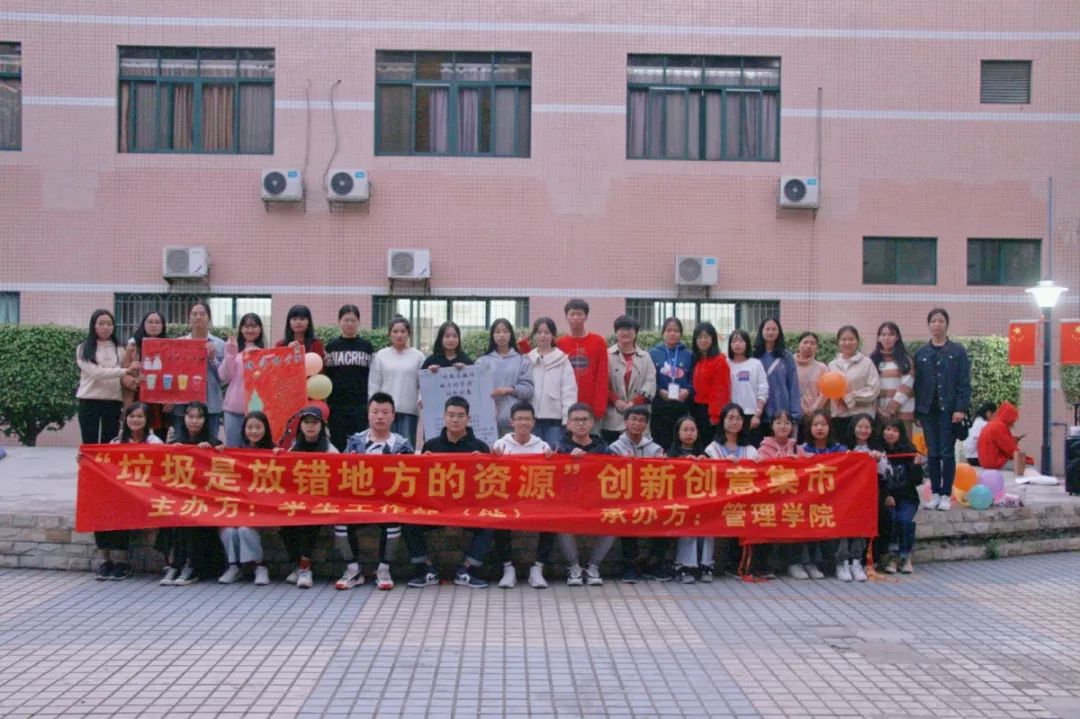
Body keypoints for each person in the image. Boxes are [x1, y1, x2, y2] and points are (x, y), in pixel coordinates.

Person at [404, 396, 492, 589]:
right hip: (436, 509)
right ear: (444, 417)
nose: (455, 420)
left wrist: (485, 463)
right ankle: (427, 569)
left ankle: (466, 570)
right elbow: (422, 482)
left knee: (490, 523)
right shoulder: (431, 446)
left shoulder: (480, 447)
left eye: (460, 415)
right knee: (408, 522)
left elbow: (488, 484)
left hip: (468, 509)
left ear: (468, 419)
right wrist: (423, 463)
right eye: (451, 415)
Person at [338, 393, 415, 591]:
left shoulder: (402, 445)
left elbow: (413, 475)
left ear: (393, 416)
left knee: (393, 524)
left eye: (385, 412)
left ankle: (383, 569)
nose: (380, 416)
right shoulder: (355, 442)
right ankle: (353, 570)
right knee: (339, 523)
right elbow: (340, 471)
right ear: (368, 414)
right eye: (375, 411)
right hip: (359, 502)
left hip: (389, 502)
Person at [95, 402, 162, 580]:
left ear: (147, 420)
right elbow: (103, 465)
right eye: (131, 416)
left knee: (121, 507)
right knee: (100, 508)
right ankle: (106, 561)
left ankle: (122, 562)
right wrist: (84, 459)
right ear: (125, 419)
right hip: (121, 492)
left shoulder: (155, 442)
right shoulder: (116, 442)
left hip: (144, 494)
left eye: (140, 416)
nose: (135, 420)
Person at [491, 401, 554, 589]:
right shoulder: (500, 444)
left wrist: (552, 460)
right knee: (497, 519)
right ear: (512, 422)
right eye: (519, 419)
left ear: (534, 422)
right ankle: (508, 568)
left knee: (554, 518)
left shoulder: (543, 446)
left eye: (527, 419)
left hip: (535, 501)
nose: (523, 423)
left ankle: (537, 568)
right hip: (508, 501)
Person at [913, 308, 971, 512]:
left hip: (949, 411)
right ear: (928, 324)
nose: (937, 325)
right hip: (928, 411)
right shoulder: (921, 353)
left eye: (941, 321)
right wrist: (918, 412)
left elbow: (964, 382)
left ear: (947, 324)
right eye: (933, 321)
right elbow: (917, 385)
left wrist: (960, 408)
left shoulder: (957, 351)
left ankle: (946, 494)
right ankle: (935, 493)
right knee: (933, 453)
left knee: (947, 453)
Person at [159, 401, 222, 587]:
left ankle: (191, 566)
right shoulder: (175, 443)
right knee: (175, 517)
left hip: (205, 502)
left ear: (206, 420)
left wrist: (213, 451)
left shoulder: (214, 442)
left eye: (199, 417)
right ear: (184, 418)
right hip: (178, 499)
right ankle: (174, 565)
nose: (194, 421)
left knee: (191, 517)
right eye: (190, 416)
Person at [554, 403, 614, 586]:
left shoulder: (604, 449)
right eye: (576, 420)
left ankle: (593, 566)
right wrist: (566, 460)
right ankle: (574, 567)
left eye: (584, 419)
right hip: (568, 502)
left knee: (615, 520)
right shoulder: (559, 448)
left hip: (597, 502)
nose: (580, 423)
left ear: (592, 422)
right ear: (568, 424)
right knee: (560, 521)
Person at [278, 406, 338, 589]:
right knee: (285, 525)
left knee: (308, 524)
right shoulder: (294, 447)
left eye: (315, 423)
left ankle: (305, 568)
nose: (310, 426)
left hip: (321, 501)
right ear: (301, 426)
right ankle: (299, 565)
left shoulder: (330, 450)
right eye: (306, 422)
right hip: (297, 501)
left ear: (321, 426)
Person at [609, 405, 669, 582]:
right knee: (627, 517)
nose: (637, 424)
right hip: (625, 499)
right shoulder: (614, 448)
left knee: (671, 515)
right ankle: (630, 565)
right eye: (633, 419)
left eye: (642, 420)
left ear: (646, 424)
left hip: (651, 498)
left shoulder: (656, 449)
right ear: (626, 422)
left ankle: (654, 563)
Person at [755, 410, 815, 580]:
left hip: (793, 499)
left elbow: (808, 469)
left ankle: (795, 563)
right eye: (778, 422)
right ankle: (771, 565)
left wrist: (809, 459)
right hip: (772, 500)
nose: (783, 426)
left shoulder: (797, 448)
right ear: (772, 426)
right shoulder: (763, 449)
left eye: (787, 423)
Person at [217, 411, 274, 586]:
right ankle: (234, 567)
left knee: (244, 530)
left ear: (266, 429)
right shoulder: (236, 451)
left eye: (258, 427)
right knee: (228, 530)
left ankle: (260, 566)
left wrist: (278, 455)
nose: (253, 431)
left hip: (261, 506)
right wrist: (216, 451)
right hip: (238, 504)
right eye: (250, 427)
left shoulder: (273, 451)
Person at [77, 309, 138, 445]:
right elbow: (96, 373)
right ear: (93, 325)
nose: (105, 327)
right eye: (101, 323)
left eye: (109, 324)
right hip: (89, 401)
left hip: (113, 401)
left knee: (109, 444)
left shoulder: (119, 349)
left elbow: (126, 372)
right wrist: (125, 370)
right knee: (90, 444)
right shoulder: (83, 349)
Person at [799, 410, 846, 580]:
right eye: (815, 424)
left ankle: (841, 563)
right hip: (809, 501)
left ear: (830, 427)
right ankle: (808, 563)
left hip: (834, 500)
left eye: (823, 424)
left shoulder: (840, 449)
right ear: (809, 428)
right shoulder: (802, 450)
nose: (819, 428)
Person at [172, 302, 226, 444]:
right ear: (189, 318)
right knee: (181, 445)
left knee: (209, 446)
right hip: (183, 403)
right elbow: (172, 373)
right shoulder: (179, 343)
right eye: (194, 314)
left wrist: (213, 359)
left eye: (202, 314)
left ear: (209, 318)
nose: (198, 317)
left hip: (211, 403)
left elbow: (224, 378)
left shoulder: (219, 344)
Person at [323, 304, 375, 451]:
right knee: (337, 444)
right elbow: (327, 375)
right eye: (346, 320)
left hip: (360, 405)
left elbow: (372, 375)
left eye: (353, 320)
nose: (350, 324)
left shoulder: (366, 347)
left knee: (359, 445)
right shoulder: (332, 347)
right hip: (336, 405)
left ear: (358, 322)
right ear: (339, 321)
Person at [877, 417, 924, 575]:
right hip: (887, 497)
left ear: (901, 433)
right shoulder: (878, 450)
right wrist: (886, 495)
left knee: (905, 520)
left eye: (895, 430)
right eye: (888, 429)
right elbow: (877, 479)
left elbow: (917, 481)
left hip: (907, 497)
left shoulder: (909, 450)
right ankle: (891, 556)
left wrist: (916, 466)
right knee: (891, 518)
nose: (890, 433)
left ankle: (905, 556)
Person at [369, 316, 425, 445]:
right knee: (384, 446)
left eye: (403, 331)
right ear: (389, 334)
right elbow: (374, 384)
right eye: (395, 331)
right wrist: (373, 407)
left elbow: (423, 384)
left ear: (409, 333)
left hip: (409, 409)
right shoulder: (381, 355)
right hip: (384, 411)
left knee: (406, 447)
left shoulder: (418, 356)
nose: (399, 335)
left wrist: (421, 398)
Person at [602, 314, 656, 445]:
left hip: (639, 414)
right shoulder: (606, 355)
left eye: (629, 329)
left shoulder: (645, 357)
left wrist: (634, 403)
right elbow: (601, 382)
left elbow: (650, 382)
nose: (625, 332)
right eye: (621, 329)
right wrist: (615, 400)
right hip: (613, 414)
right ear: (616, 332)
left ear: (636, 332)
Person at [840, 413, 881, 583]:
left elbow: (884, 473)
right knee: (842, 527)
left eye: (867, 427)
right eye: (860, 427)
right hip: (844, 498)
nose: (863, 430)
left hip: (865, 497)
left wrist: (878, 459)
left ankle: (856, 561)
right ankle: (842, 562)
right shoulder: (843, 448)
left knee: (860, 527)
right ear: (853, 428)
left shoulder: (876, 449)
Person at [669, 416, 710, 584]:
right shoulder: (670, 455)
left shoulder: (705, 455)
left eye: (692, 430)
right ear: (677, 433)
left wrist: (706, 463)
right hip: (678, 503)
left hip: (702, 502)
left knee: (711, 522)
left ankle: (706, 565)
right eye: (685, 430)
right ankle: (684, 566)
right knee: (687, 521)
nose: (689, 433)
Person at [555, 299, 609, 425]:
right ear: (566, 316)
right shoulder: (559, 344)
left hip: (590, 406)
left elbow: (602, 376)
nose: (575, 318)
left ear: (586, 316)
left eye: (579, 314)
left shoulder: (598, 342)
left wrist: (599, 407)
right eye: (572, 314)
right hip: (566, 405)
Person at [476, 318, 534, 436]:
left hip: (514, 423)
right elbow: (476, 391)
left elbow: (529, 390)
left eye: (505, 331)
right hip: (488, 423)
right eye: (497, 332)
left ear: (510, 334)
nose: (501, 335)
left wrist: (509, 390)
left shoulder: (522, 361)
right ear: (492, 335)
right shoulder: (482, 362)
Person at [526, 317, 578, 448]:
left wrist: (568, 418)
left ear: (553, 335)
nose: (542, 336)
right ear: (534, 335)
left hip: (555, 420)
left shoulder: (562, 360)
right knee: (532, 453)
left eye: (547, 332)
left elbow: (569, 391)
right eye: (539, 332)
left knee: (554, 453)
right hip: (530, 419)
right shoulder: (527, 359)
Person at [218, 313, 266, 448]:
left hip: (256, 412)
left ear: (260, 329)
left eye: (254, 326)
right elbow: (223, 376)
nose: (250, 330)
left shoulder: (266, 354)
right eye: (246, 326)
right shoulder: (234, 349)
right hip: (233, 410)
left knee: (253, 452)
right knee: (233, 450)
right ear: (241, 329)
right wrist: (230, 354)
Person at [826, 325, 881, 444]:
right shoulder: (832, 365)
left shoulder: (867, 363)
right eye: (843, 339)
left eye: (851, 339)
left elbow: (873, 389)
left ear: (857, 341)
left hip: (861, 417)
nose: (847, 343)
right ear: (838, 342)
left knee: (860, 450)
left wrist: (849, 397)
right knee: (842, 450)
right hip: (839, 417)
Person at [648, 317, 693, 451]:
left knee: (680, 442)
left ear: (681, 334)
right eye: (669, 330)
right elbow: (648, 379)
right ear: (663, 333)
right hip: (660, 405)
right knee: (660, 442)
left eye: (676, 331)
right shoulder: (653, 353)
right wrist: (660, 391)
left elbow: (694, 378)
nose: (672, 334)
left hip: (682, 404)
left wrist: (688, 390)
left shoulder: (688, 354)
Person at [124, 310, 169, 440]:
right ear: (143, 324)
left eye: (157, 322)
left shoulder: (169, 345)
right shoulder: (133, 346)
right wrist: (134, 380)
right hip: (138, 395)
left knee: (160, 434)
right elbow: (124, 373)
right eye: (150, 322)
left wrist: (171, 397)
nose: (154, 325)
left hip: (161, 397)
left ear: (163, 326)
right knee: (137, 433)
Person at [752, 317, 801, 436]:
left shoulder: (786, 356)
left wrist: (795, 414)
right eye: (767, 329)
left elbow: (793, 385)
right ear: (761, 331)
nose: (770, 332)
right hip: (757, 414)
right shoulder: (754, 356)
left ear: (779, 332)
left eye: (774, 329)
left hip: (781, 414)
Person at [871, 321, 916, 437]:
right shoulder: (872, 360)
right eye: (883, 334)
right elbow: (870, 387)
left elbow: (906, 387)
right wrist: (878, 410)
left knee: (904, 446)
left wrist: (890, 410)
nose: (887, 338)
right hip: (880, 415)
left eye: (891, 334)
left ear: (897, 337)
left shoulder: (906, 360)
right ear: (878, 338)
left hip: (903, 414)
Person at [689, 321, 731, 445]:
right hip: (695, 408)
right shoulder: (696, 359)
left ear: (713, 339)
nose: (703, 340)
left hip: (710, 411)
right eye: (699, 337)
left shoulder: (720, 361)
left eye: (706, 337)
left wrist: (715, 416)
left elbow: (721, 390)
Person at [727, 329, 768, 447]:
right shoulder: (725, 363)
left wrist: (757, 415)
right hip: (731, 416)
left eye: (741, 341)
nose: (737, 344)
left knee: (752, 451)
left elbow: (763, 390)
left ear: (747, 344)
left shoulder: (756, 364)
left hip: (751, 415)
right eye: (734, 341)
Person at [977, 400, 1027, 477]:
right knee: (1028, 467)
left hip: (985, 461)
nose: (1013, 422)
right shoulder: (1000, 426)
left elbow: (1000, 443)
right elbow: (1010, 449)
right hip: (994, 462)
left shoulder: (994, 423)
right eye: (1013, 419)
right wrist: (1027, 459)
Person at [794, 332, 829, 438]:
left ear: (816, 347)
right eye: (805, 342)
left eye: (812, 343)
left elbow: (825, 392)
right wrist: (797, 408)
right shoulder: (790, 364)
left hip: (814, 416)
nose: (808, 345)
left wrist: (813, 409)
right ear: (799, 344)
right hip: (793, 414)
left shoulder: (822, 368)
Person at [964, 402, 997, 467]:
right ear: (988, 413)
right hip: (976, 457)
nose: (995, 417)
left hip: (970, 456)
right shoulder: (983, 424)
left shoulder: (977, 421)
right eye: (994, 414)